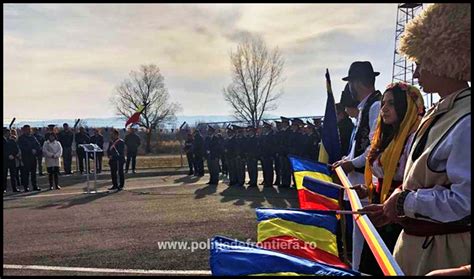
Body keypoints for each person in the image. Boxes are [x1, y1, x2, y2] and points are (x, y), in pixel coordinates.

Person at [361, 4, 471, 275]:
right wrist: (394, 205)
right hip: (420, 248)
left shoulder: (466, 120)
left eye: (421, 63)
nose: (415, 74)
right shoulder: (444, 112)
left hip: (443, 256)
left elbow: (464, 201)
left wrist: (403, 203)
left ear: (444, 59)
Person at [351, 82, 425, 276]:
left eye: (391, 103)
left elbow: (413, 181)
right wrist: (368, 191)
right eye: (383, 103)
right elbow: (383, 178)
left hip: (399, 218)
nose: (384, 108)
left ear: (406, 106)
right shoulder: (388, 137)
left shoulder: (414, 139)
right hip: (381, 210)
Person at [332, 61, 382, 271]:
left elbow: (374, 146)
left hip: (366, 181)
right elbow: (358, 146)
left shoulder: (376, 107)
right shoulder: (366, 107)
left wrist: (352, 164)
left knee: (365, 235)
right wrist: (346, 159)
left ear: (356, 83)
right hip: (357, 179)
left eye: (350, 82)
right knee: (357, 234)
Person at [18, 125, 42, 192]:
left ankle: (35, 186)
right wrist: (30, 150)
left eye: (29, 129)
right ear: (24, 130)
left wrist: (36, 150)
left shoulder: (33, 137)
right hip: (26, 157)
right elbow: (21, 147)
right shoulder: (21, 138)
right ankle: (26, 187)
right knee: (26, 173)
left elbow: (38, 145)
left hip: (33, 157)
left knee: (34, 173)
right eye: (26, 130)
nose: (28, 131)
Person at [4, 128, 20, 192]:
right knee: (4, 175)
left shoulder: (12, 141)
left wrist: (13, 155)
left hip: (12, 160)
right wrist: (8, 155)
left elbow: (16, 149)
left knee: (13, 175)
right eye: (7, 133)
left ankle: (14, 188)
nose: (9, 134)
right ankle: (4, 188)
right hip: (4, 160)